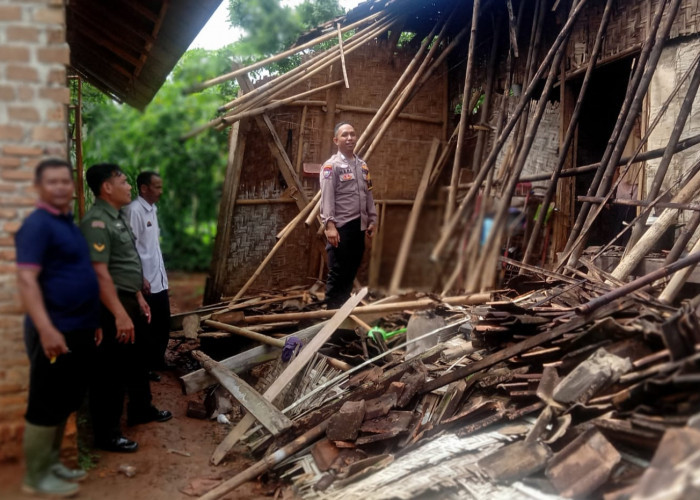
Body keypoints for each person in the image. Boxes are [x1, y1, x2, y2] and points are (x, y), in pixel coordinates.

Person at [15, 158, 101, 497]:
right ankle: (35, 477)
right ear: (39, 187)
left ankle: (51, 464)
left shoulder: (66, 223)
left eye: (65, 181)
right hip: (54, 329)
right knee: (45, 401)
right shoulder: (37, 225)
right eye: (52, 182)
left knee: (64, 398)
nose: (61, 187)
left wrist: (92, 321)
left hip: (78, 327)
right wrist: (47, 329)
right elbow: (26, 279)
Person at [80, 163, 171, 454]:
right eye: (123, 181)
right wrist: (119, 313)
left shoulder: (115, 218)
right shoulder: (97, 222)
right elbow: (100, 273)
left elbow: (124, 264)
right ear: (107, 187)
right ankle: (107, 435)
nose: (129, 186)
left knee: (140, 355)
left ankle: (141, 409)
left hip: (128, 299)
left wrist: (139, 297)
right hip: (111, 305)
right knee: (110, 372)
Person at [319, 122, 377, 308]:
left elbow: (368, 194)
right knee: (337, 272)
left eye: (352, 134)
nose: (350, 138)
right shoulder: (331, 166)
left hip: (359, 226)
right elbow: (327, 196)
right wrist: (329, 225)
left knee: (351, 270)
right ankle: (330, 319)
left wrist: (372, 219)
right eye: (345, 135)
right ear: (336, 140)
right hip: (341, 227)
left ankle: (342, 315)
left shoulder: (363, 166)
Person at [123, 171, 170, 380]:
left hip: (158, 277)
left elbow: (151, 247)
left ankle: (157, 361)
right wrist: (139, 277)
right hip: (145, 281)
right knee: (147, 327)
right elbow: (130, 247)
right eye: (157, 187)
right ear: (144, 188)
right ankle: (145, 367)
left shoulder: (152, 209)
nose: (161, 191)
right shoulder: (134, 211)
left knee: (162, 322)